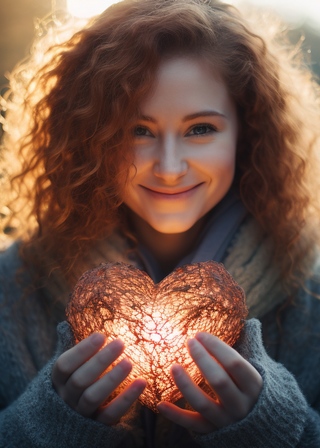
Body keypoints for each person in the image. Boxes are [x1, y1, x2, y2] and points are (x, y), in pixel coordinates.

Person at [1, 0, 320, 446]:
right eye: (138, 131)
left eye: (201, 129)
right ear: (90, 138)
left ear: (248, 133)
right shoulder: (13, 285)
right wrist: (47, 424)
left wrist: (274, 426)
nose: (169, 168)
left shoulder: (311, 290)